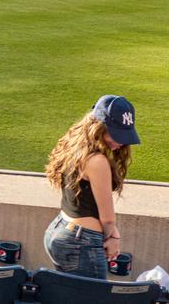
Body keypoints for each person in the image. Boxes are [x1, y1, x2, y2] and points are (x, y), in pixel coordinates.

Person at [43, 96, 140, 279]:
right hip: (81, 242)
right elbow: (108, 218)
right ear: (99, 127)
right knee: (94, 293)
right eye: (116, 134)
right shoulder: (97, 161)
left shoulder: (75, 148)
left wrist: (112, 232)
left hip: (60, 229)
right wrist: (113, 238)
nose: (121, 142)